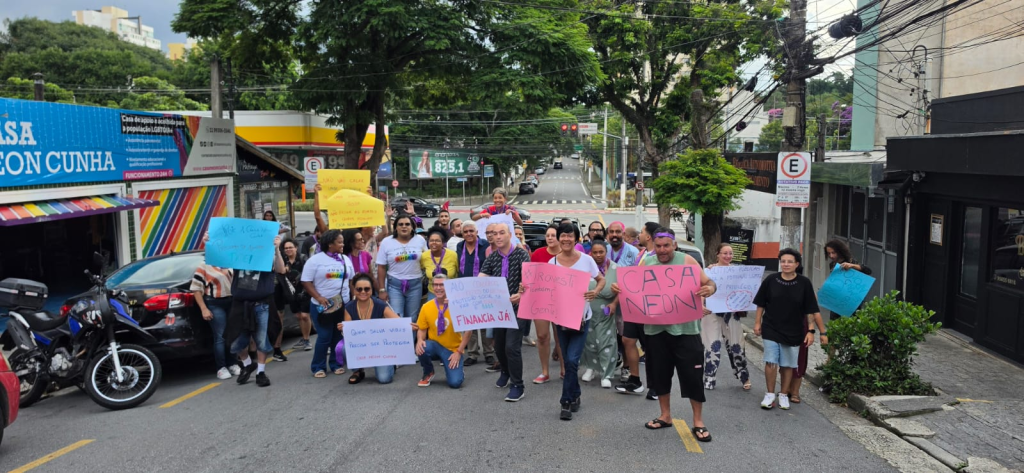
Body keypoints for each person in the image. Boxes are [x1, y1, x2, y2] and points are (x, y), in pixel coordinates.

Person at [613, 227, 715, 441]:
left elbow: (709, 282)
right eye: (658, 246)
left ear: (674, 245)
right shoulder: (647, 263)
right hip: (656, 331)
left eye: (666, 245)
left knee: (692, 377)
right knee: (659, 375)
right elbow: (633, 290)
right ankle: (665, 415)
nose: (662, 250)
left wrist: (710, 289)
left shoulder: (687, 261)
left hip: (687, 331)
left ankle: (698, 421)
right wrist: (620, 289)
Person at [541, 222, 605, 420]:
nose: (566, 239)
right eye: (563, 235)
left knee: (571, 360)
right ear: (558, 238)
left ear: (576, 239)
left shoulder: (586, 260)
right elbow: (544, 288)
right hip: (560, 319)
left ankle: (566, 402)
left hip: (581, 319)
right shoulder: (552, 263)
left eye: (570, 236)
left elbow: (601, 279)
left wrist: (595, 292)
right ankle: (575, 393)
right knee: (569, 361)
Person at [753, 248, 827, 411]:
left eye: (790, 262)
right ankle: (769, 394)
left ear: (797, 264)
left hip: (794, 330)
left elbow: (811, 309)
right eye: (783, 261)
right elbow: (761, 303)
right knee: (771, 360)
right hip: (771, 326)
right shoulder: (771, 280)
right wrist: (757, 323)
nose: (786, 264)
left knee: (788, 364)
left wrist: (813, 331)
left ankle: (783, 394)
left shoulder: (804, 283)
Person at [221, 234, 287, 388]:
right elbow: (219, 259)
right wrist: (209, 244)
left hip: (262, 304)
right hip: (240, 305)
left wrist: (277, 250)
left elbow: (281, 269)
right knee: (235, 342)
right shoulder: (238, 256)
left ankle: (261, 372)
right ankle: (248, 364)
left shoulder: (267, 254)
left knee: (262, 340)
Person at [478, 222, 531, 402]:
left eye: (502, 232)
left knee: (511, 347)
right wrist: (458, 296)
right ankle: (505, 371)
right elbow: (480, 280)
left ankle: (518, 385)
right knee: (499, 346)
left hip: (518, 308)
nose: (498, 236)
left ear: (510, 234)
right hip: (499, 309)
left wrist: (521, 294)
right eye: (495, 233)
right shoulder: (492, 257)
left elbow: (530, 282)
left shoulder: (522, 255)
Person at [614, 221, 661, 398]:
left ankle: (655, 386)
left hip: (648, 307)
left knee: (650, 347)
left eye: (641, 232)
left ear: (648, 236)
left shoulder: (658, 257)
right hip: (634, 305)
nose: (638, 235)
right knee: (627, 340)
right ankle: (635, 380)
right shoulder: (641, 253)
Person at [301, 229, 355, 378]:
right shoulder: (315, 260)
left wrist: (354, 297)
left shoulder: (345, 259)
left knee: (338, 335)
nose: (343, 244)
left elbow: (351, 280)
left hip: (343, 304)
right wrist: (318, 297)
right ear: (330, 244)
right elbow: (306, 281)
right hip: (323, 305)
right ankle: (318, 366)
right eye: (340, 242)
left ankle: (336, 364)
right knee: (324, 336)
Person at [700, 243, 750, 390]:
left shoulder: (738, 272)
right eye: (724, 253)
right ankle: (709, 378)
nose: (728, 256)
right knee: (711, 345)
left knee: (737, 344)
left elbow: (746, 289)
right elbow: (701, 289)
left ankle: (744, 376)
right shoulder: (709, 271)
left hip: (731, 313)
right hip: (711, 312)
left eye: (730, 253)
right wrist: (701, 305)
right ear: (718, 254)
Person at [340, 274, 405, 384]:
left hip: (380, 347)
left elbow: (397, 322)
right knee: (345, 348)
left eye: (367, 289)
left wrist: (408, 326)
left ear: (371, 290)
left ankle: (390, 363)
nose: (363, 292)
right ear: (354, 290)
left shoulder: (380, 305)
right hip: (360, 344)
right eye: (359, 289)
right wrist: (343, 328)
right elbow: (348, 335)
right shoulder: (349, 307)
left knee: (384, 379)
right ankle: (357, 371)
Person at [415, 273, 469, 388]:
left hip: (453, 349)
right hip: (435, 346)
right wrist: (419, 340)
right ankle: (428, 371)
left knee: (455, 383)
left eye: (442, 285)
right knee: (422, 347)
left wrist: (459, 352)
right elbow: (422, 329)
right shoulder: (426, 307)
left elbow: (468, 331)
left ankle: (458, 370)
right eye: (435, 285)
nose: (438, 288)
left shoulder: (458, 305)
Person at [580, 239, 620, 389]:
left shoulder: (616, 268)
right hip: (588, 310)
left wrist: (614, 303)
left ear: (606, 252)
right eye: (595, 252)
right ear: (590, 253)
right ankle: (590, 368)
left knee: (606, 342)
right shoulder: (585, 268)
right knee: (589, 342)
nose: (598, 255)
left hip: (607, 311)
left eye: (601, 252)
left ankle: (606, 374)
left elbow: (623, 290)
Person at [190, 262, 240, 379]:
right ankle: (221, 367)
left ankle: (232, 363)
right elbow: (196, 289)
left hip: (232, 301)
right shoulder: (204, 266)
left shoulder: (229, 263)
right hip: (214, 302)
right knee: (220, 335)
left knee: (232, 334)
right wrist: (204, 309)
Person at [456, 221, 495, 367]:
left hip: (483, 288)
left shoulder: (485, 245)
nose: (469, 234)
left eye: (471, 231)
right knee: (469, 322)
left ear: (477, 232)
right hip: (465, 289)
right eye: (465, 232)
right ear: (462, 234)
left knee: (484, 321)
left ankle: (489, 352)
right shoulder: (460, 246)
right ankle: (472, 353)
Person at [529, 224, 564, 383]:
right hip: (541, 300)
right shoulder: (537, 254)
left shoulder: (565, 255)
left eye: (553, 235)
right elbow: (530, 276)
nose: (550, 238)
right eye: (547, 235)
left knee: (561, 337)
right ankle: (545, 372)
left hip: (561, 301)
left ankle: (564, 369)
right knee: (542, 336)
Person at [376, 214, 427, 320]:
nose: (404, 226)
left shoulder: (420, 240)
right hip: (394, 285)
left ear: (412, 227)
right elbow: (381, 267)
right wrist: (381, 290)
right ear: (395, 227)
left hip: (415, 285)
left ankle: (411, 332)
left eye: (407, 224)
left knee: (412, 318)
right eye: (400, 224)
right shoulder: (386, 242)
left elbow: (427, 258)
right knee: (396, 317)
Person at [277, 238, 312, 353]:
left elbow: (309, 272)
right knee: (298, 316)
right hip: (291, 292)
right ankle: (304, 338)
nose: (288, 250)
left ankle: (307, 340)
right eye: (286, 248)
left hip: (304, 290)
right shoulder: (283, 260)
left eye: (290, 247)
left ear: (296, 248)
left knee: (305, 316)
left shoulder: (303, 258)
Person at [421, 226, 458, 301]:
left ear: (443, 243)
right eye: (431, 240)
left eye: (437, 240)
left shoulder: (453, 255)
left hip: (451, 292)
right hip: (433, 292)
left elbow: (458, 271)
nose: (434, 243)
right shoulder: (424, 256)